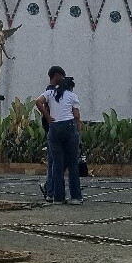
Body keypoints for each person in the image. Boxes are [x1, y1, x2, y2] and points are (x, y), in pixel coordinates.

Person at [36, 65, 83, 205]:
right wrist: (78, 132)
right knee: (73, 163)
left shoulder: (50, 93)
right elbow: (76, 116)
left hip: (54, 128)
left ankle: (58, 197)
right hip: (69, 127)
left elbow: (37, 102)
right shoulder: (72, 95)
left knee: (56, 163)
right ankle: (75, 197)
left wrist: (48, 116)